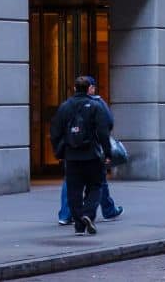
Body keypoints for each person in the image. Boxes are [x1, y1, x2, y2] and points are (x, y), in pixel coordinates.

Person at [50, 76, 113, 236]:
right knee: (95, 186)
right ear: (89, 89)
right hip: (91, 154)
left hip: (72, 156)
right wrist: (107, 153)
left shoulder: (65, 107)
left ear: (74, 88)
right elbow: (103, 132)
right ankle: (88, 213)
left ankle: (79, 225)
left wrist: (59, 152)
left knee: (74, 190)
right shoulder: (95, 106)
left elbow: (55, 131)